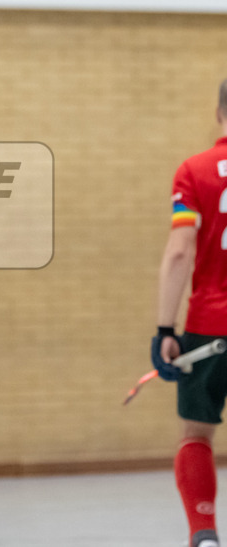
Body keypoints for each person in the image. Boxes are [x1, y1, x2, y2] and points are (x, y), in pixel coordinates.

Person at [152, 79, 227, 547]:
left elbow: (180, 252)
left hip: (208, 327)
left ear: (220, 112)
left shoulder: (195, 171)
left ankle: (204, 533)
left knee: (196, 433)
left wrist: (164, 328)